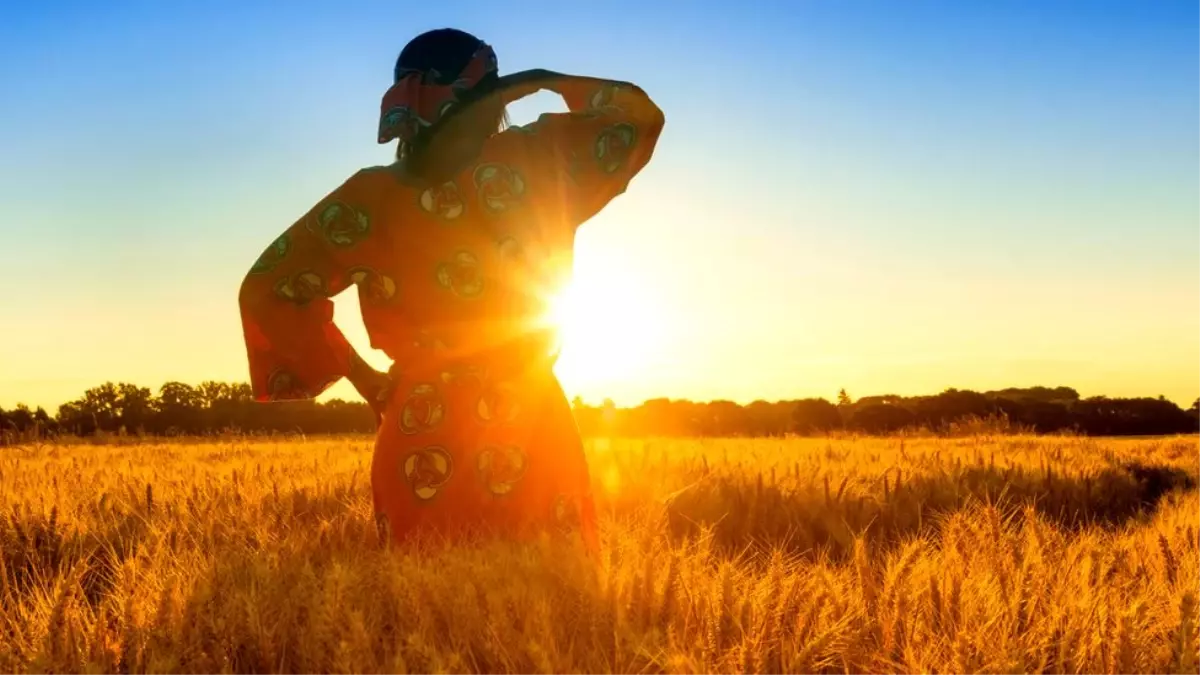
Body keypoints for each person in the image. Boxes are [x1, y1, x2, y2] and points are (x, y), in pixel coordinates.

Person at [237, 28, 664, 551]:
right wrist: (544, 82)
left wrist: (368, 382)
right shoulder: (535, 161)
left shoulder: (368, 199)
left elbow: (268, 289)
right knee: (553, 603)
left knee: (426, 608)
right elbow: (636, 117)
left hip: (420, 434)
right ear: (482, 95)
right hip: (531, 423)